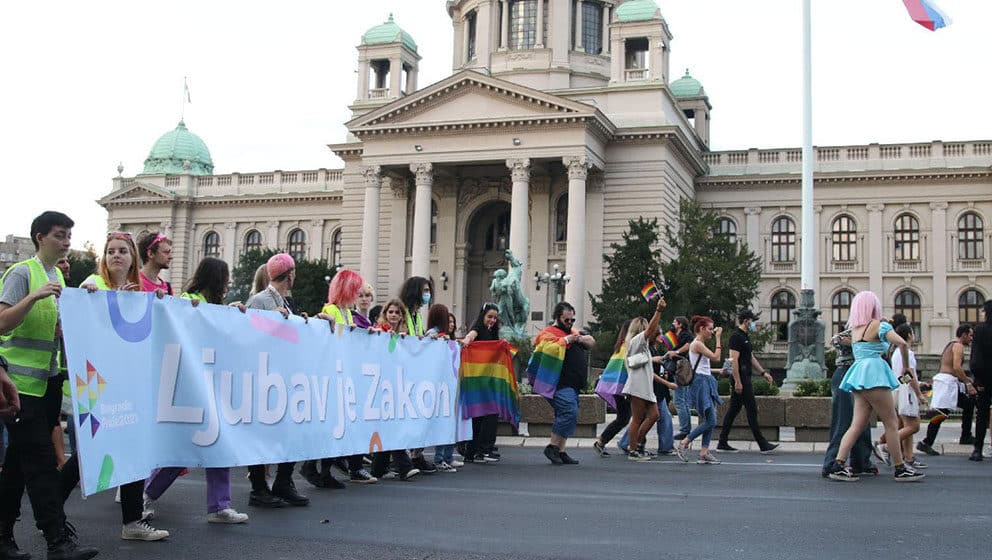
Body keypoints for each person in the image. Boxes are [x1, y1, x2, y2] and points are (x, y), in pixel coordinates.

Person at [0, 211, 99, 560]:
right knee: (41, 463)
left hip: (47, 383)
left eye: (70, 235)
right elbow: (1, 323)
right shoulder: (23, 273)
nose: (67, 241)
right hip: (20, 386)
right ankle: (57, 541)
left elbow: (50, 332)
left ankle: (2, 537)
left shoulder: (57, 274)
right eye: (60, 235)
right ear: (40, 237)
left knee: (15, 466)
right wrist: (33, 297)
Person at [77, 232, 171, 540]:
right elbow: (81, 319)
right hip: (97, 385)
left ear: (133, 256)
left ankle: (132, 524)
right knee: (84, 455)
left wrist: (157, 305)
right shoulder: (93, 283)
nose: (116, 256)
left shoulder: (134, 293)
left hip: (128, 385)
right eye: (110, 251)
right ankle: (48, 513)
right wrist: (88, 295)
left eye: (122, 251)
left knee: (134, 449)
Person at [142, 258, 249, 525]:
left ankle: (219, 505)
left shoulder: (215, 307)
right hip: (190, 386)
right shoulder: (187, 299)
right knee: (184, 448)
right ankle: (144, 494)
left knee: (219, 444)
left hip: (211, 384)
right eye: (225, 278)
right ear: (215, 278)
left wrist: (232, 314)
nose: (229, 284)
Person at [824, 291, 924, 482]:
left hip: (858, 373)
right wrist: (905, 367)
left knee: (856, 424)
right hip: (875, 373)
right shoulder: (880, 326)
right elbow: (902, 343)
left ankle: (837, 464)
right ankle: (900, 467)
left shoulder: (855, 329)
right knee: (891, 422)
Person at [243, 253, 310, 508]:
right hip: (264, 376)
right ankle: (259, 488)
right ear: (290, 274)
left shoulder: (284, 301)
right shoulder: (261, 300)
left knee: (289, 431)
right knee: (263, 435)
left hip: (283, 377)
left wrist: (302, 323)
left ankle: (283, 481)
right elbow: (248, 334)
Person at [305, 269, 380, 486]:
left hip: (346, 373)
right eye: (355, 289)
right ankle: (320, 469)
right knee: (333, 424)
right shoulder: (331, 309)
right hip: (335, 372)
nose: (358, 294)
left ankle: (320, 468)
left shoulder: (346, 312)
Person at [536, 302, 595, 466]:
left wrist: (580, 338)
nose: (570, 323)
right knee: (569, 411)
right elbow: (546, 349)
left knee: (568, 415)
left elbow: (591, 342)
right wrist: (566, 340)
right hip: (558, 383)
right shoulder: (548, 333)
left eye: (572, 320)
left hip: (573, 383)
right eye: (566, 320)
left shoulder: (575, 332)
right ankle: (552, 447)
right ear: (557, 317)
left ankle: (560, 451)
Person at [717, 310, 779, 454]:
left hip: (745, 377)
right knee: (751, 410)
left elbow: (750, 357)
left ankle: (722, 442)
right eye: (753, 321)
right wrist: (738, 381)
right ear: (746, 321)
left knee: (733, 410)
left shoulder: (744, 336)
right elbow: (734, 361)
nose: (754, 324)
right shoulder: (736, 337)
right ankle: (762, 444)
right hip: (741, 378)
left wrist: (763, 372)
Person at [821, 329, 877, 478]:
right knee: (843, 420)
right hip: (846, 372)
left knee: (862, 421)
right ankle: (831, 462)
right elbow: (836, 339)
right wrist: (855, 341)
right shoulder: (856, 327)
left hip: (860, 373)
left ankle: (861, 461)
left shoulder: (869, 327)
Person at [398, 277, 438, 474]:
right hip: (404, 372)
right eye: (424, 290)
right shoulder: (403, 313)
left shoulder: (417, 315)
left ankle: (416, 454)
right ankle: (403, 457)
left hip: (415, 371)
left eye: (428, 290)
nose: (427, 293)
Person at [917, 325, 977, 457]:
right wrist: (967, 382)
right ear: (964, 335)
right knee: (941, 413)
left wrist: (964, 379)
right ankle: (926, 442)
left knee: (968, 404)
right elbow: (956, 367)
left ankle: (966, 435)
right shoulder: (958, 346)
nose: (971, 339)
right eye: (970, 335)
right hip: (947, 383)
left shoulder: (950, 344)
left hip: (946, 381)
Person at [873, 324, 927, 470]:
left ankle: (908, 457)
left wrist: (915, 383)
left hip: (899, 389)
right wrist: (918, 392)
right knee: (913, 426)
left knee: (904, 424)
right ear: (909, 335)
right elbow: (908, 375)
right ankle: (886, 446)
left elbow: (901, 376)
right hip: (906, 392)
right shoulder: (906, 353)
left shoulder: (897, 352)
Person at [622, 297, 666, 462]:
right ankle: (633, 449)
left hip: (644, 386)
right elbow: (649, 332)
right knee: (638, 418)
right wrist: (659, 311)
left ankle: (636, 444)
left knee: (654, 415)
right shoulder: (638, 340)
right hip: (638, 386)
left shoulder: (640, 344)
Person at [675, 316, 723, 465]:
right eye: (709, 329)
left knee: (710, 418)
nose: (712, 332)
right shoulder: (697, 344)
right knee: (711, 420)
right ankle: (685, 442)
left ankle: (703, 452)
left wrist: (718, 371)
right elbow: (716, 356)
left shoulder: (699, 344)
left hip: (705, 380)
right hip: (701, 383)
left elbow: (703, 365)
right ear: (701, 329)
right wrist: (719, 339)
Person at [460, 303, 502, 464]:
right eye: (489, 316)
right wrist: (466, 340)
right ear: (482, 316)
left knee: (487, 415)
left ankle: (480, 450)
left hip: (488, 380)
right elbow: (471, 335)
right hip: (476, 381)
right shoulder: (478, 330)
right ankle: (474, 451)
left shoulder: (493, 333)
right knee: (478, 416)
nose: (492, 320)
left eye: (495, 318)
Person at [425, 304, 460, 472]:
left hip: (446, 383)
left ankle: (446, 456)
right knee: (441, 421)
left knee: (447, 420)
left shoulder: (447, 337)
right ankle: (439, 458)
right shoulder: (432, 334)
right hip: (437, 384)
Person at [593, 320, 633, 457]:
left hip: (617, 388)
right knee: (629, 418)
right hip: (623, 389)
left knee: (624, 418)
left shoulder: (620, 346)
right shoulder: (627, 347)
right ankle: (631, 444)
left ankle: (603, 442)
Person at [969, 299, 992, 462]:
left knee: (982, 414)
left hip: (985, 378)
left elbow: (976, 358)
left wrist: (978, 380)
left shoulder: (980, 330)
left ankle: (978, 449)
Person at [664, 317, 693, 440]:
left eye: (675, 322)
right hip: (680, 368)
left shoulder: (685, 334)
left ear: (680, 324)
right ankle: (686, 428)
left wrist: (676, 352)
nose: (673, 324)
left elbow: (688, 345)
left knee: (679, 401)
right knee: (683, 401)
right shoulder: (679, 335)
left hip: (680, 368)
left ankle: (684, 430)